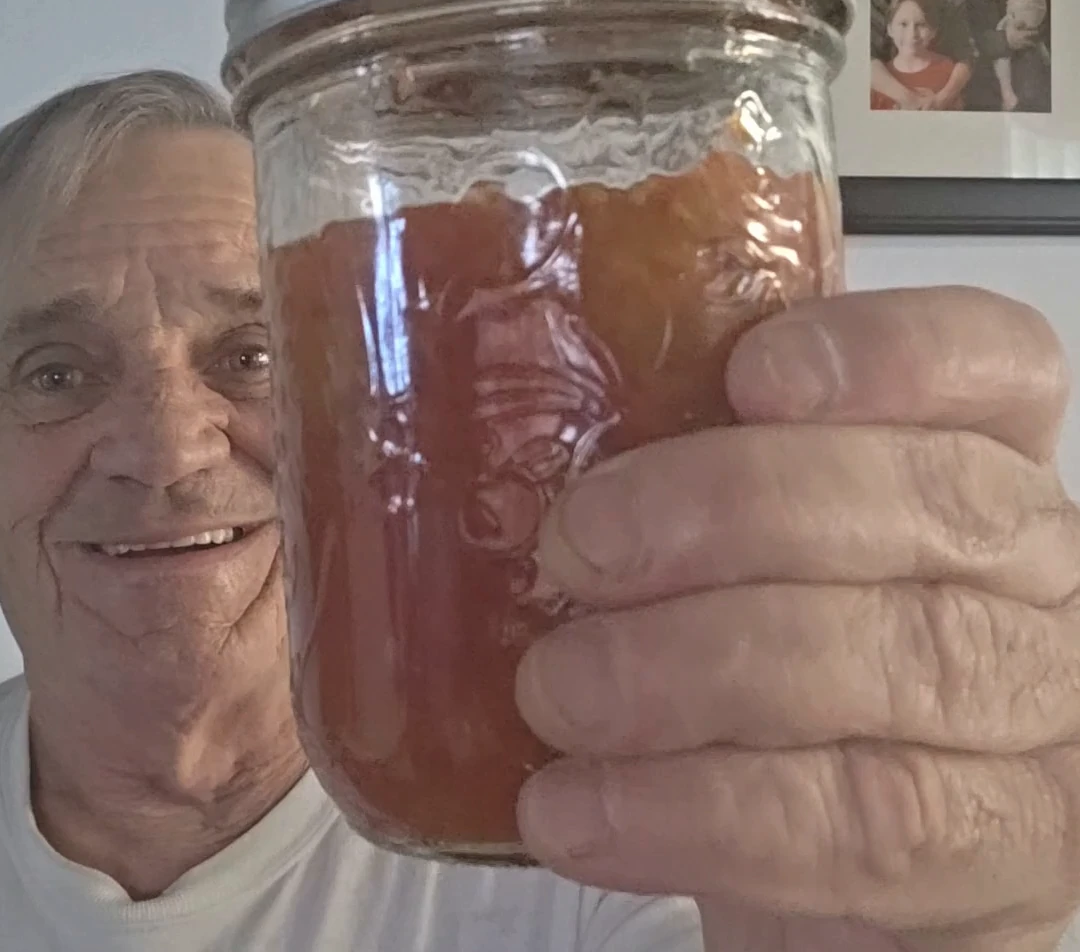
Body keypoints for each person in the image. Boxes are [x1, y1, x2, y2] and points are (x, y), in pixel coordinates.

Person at [3, 71, 1080, 952]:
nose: (164, 449)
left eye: (254, 355)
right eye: (51, 374)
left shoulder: (588, 820)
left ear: (386, 417)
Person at [871, 0, 963, 111]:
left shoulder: (947, 69)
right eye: (903, 24)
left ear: (933, 31)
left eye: (921, 24)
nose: (912, 34)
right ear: (890, 29)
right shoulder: (881, 78)